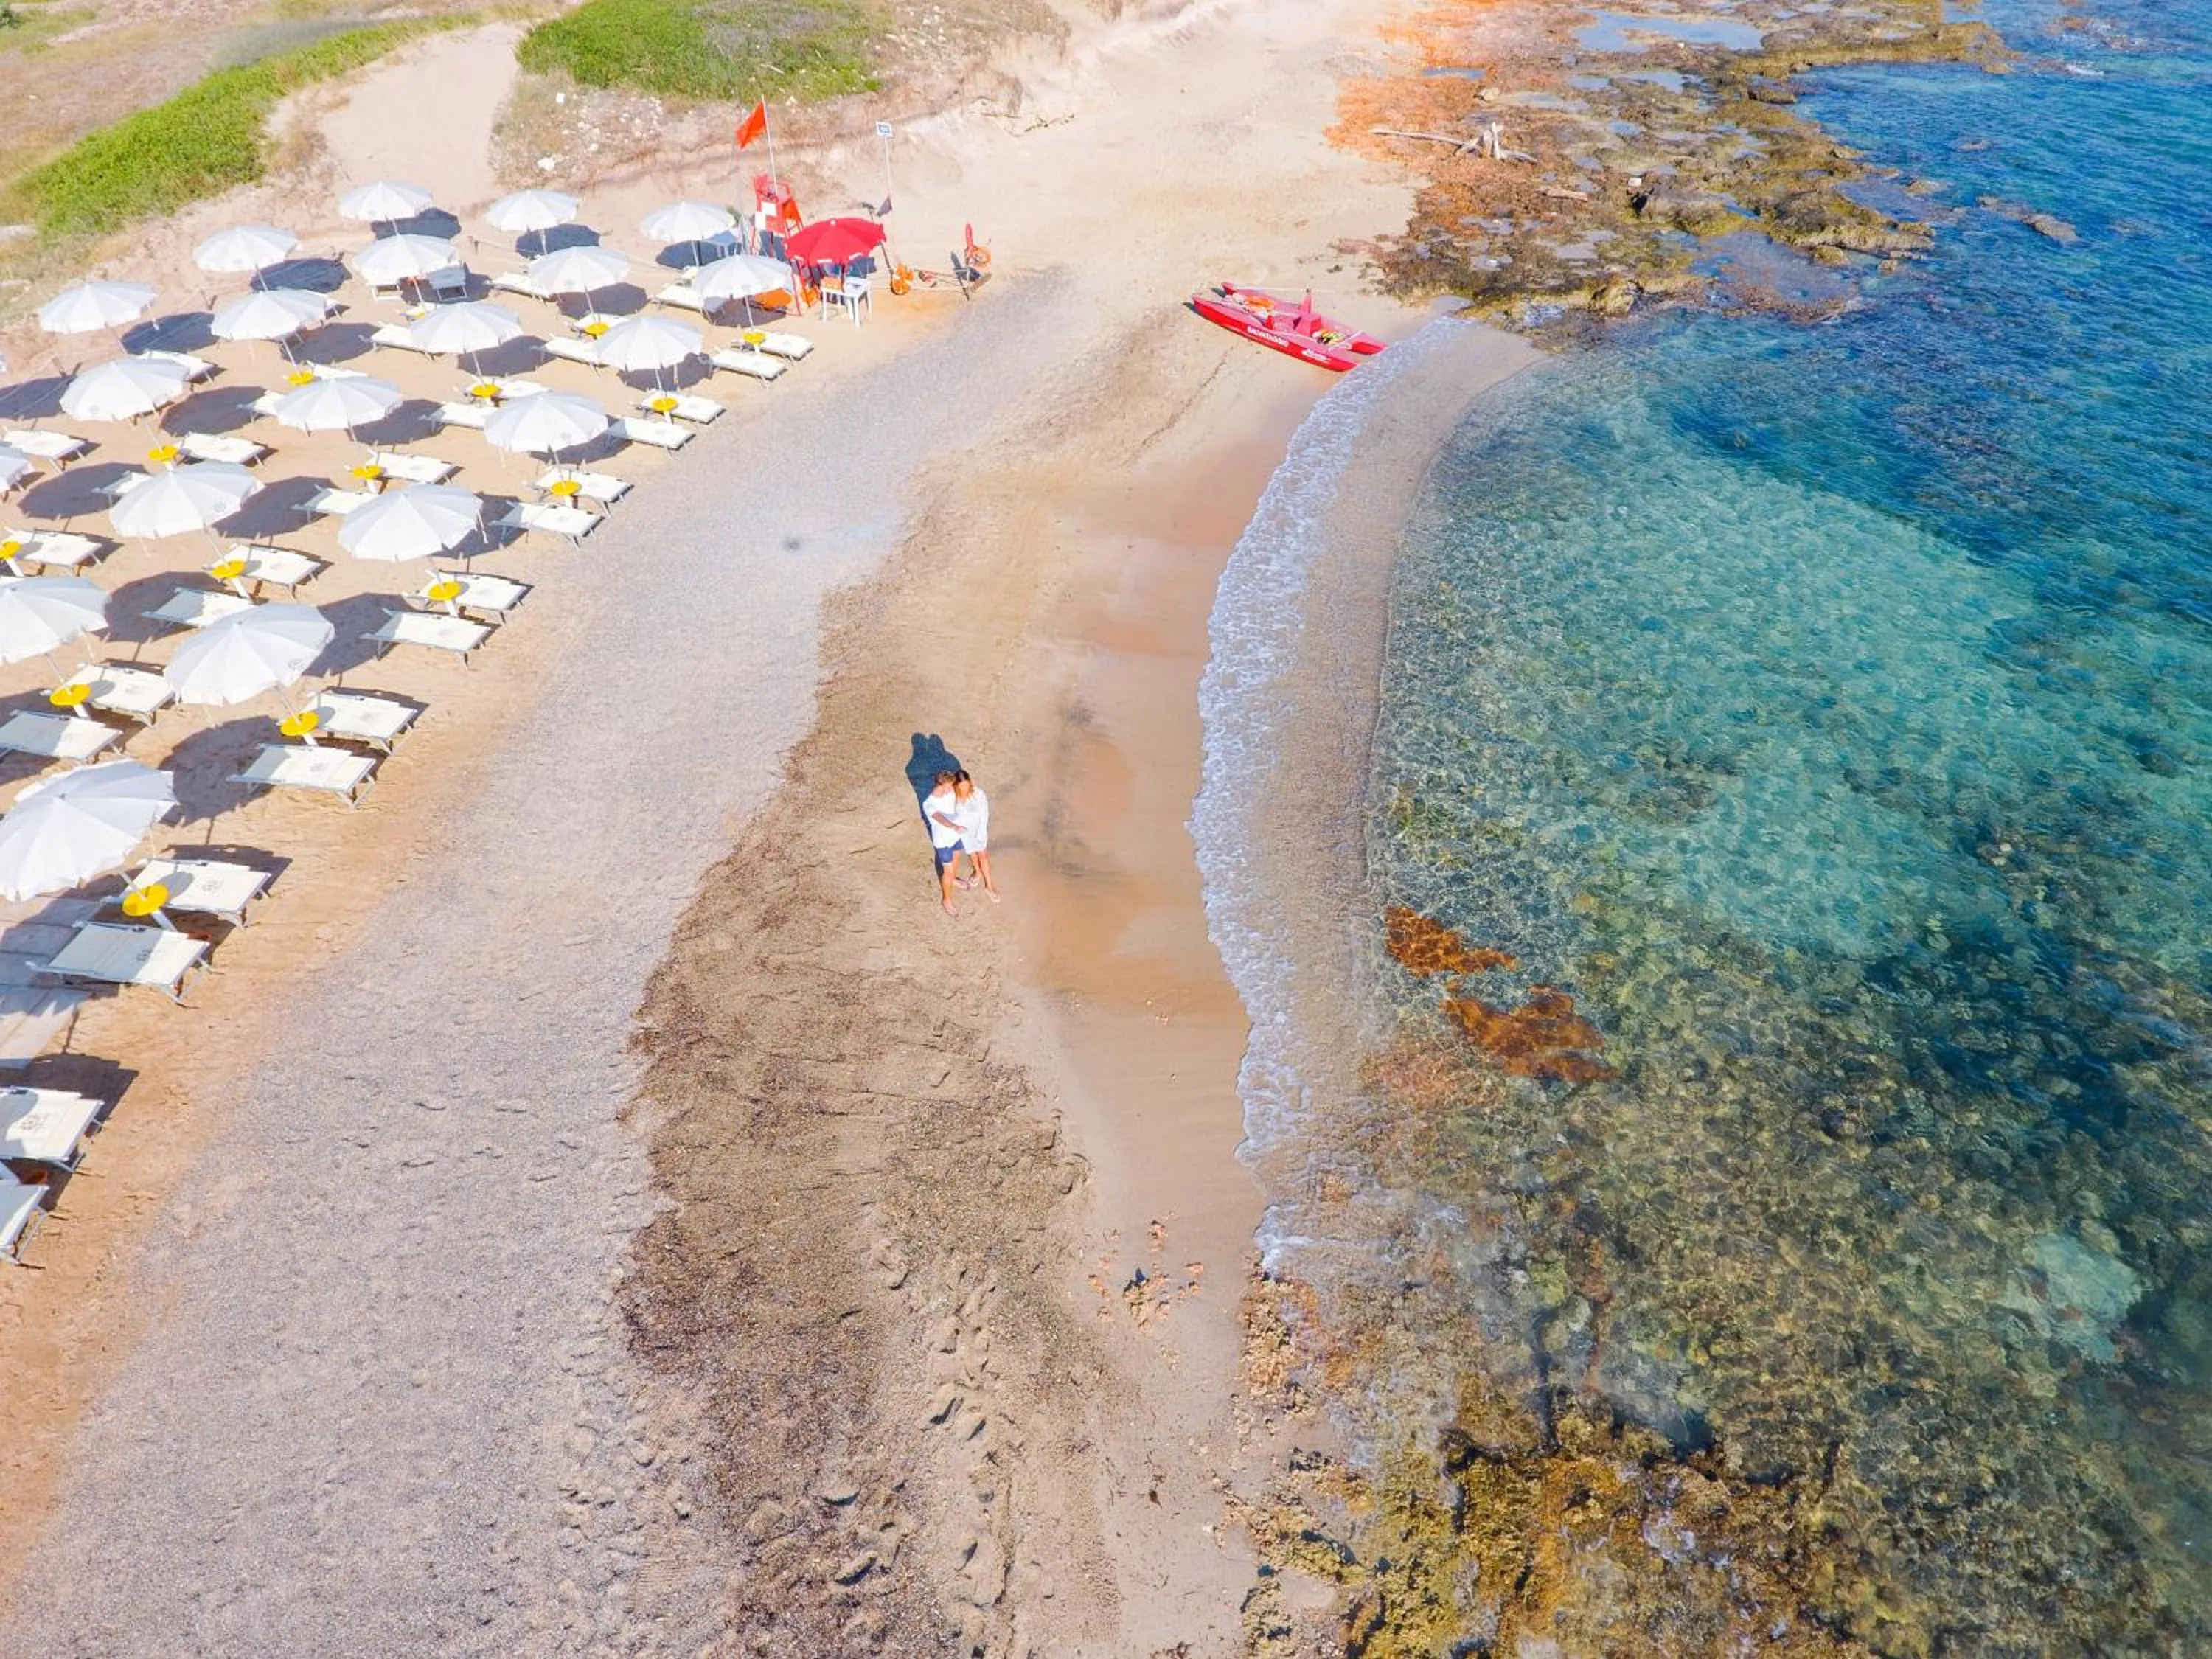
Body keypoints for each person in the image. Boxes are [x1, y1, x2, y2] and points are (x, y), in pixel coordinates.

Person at [923, 770, 967, 917]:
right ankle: (946, 900)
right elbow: (939, 818)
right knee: (947, 871)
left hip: (956, 836)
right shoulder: (929, 804)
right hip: (943, 841)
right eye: (949, 785)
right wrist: (955, 827)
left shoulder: (949, 792)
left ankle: (953, 879)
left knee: (956, 859)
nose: (951, 788)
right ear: (941, 785)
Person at [950, 771, 998, 903]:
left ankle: (989, 886)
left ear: (970, 782)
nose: (965, 788)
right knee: (972, 854)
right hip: (965, 833)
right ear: (957, 785)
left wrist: (981, 832)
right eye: (962, 786)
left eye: (967, 784)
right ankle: (977, 872)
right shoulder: (954, 797)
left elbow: (985, 815)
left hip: (979, 831)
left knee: (983, 856)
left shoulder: (978, 794)